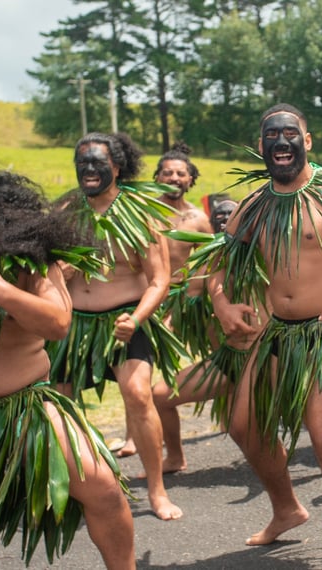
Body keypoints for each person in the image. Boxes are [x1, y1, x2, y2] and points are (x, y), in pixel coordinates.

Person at [209, 103, 322, 570]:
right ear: (261, 147)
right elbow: (217, 264)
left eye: (290, 134)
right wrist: (223, 304)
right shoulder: (254, 206)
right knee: (243, 426)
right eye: (272, 136)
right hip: (276, 336)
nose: (281, 142)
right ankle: (287, 508)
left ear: (306, 141)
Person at [0, 171, 135, 569]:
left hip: (26, 409)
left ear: (1, 222)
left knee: (103, 488)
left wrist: (1, 292)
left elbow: (57, 323)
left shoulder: (32, 264)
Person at [47, 132, 185, 521]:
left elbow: (160, 279)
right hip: (75, 323)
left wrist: (136, 319)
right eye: (82, 162)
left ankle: (156, 490)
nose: (88, 169)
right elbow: (44, 271)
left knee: (138, 393)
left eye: (97, 162)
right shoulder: (65, 212)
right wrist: (60, 271)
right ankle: (75, 487)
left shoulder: (140, 214)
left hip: (126, 317)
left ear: (117, 167)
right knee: (61, 404)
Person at [115, 141, 215, 460]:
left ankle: (225, 411)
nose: (173, 177)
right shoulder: (143, 214)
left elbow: (210, 263)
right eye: (167, 172)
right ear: (157, 177)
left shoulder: (198, 220)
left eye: (180, 173)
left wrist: (192, 299)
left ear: (190, 181)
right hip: (145, 300)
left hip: (185, 300)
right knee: (136, 370)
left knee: (212, 358)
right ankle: (134, 434)